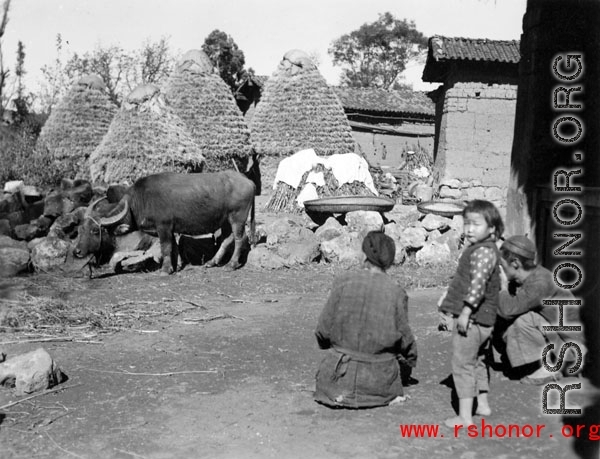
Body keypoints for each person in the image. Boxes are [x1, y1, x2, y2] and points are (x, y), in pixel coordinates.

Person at [314, 230, 417, 409]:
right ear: (391, 261)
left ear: (364, 254)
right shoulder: (396, 292)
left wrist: (336, 349)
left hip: (335, 382)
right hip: (379, 386)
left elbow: (322, 331)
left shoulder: (342, 281)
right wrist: (409, 361)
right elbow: (406, 341)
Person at [439, 199, 504, 427]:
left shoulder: (482, 252)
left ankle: (465, 417)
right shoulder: (487, 250)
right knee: (478, 361)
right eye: (466, 224)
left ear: (492, 228)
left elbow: (478, 285)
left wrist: (466, 311)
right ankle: (482, 405)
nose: (469, 229)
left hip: (473, 319)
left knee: (463, 364)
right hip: (485, 321)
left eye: (476, 224)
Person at [495, 235, 584, 385]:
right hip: (555, 337)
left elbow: (507, 310)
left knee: (521, 319)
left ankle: (547, 370)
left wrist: (502, 288)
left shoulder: (540, 282)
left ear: (515, 263)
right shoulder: (525, 277)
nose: (499, 269)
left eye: (501, 264)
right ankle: (527, 365)